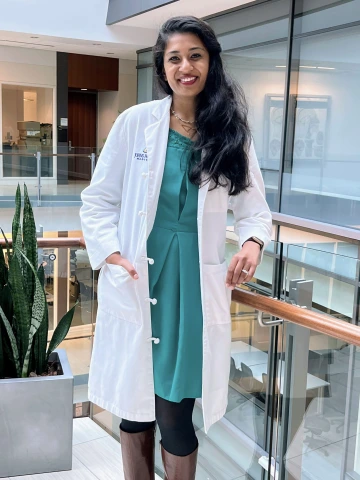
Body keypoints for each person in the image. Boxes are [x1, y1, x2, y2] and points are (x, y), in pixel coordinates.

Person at [80, 15, 272, 480]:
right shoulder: (135, 123)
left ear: (211, 62)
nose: (185, 66)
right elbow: (98, 199)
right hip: (137, 272)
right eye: (174, 58)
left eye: (195, 56)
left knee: (174, 413)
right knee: (134, 407)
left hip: (192, 283)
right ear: (162, 69)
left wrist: (252, 242)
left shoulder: (230, 132)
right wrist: (110, 254)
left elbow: (255, 209)